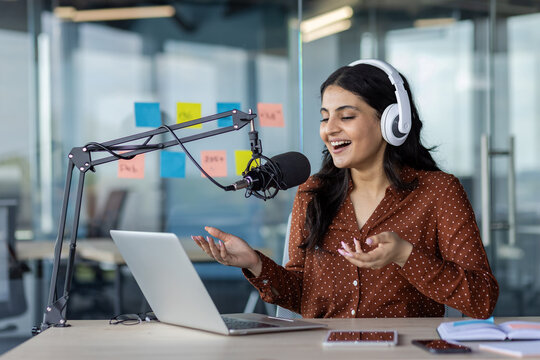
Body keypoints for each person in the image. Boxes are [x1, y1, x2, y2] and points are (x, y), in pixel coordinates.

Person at [192, 59, 499, 319]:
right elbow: (303, 293)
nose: (330, 129)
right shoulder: (313, 192)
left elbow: (482, 300)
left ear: (393, 122)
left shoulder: (438, 192)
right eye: (325, 118)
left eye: (346, 116)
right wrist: (255, 263)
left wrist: (406, 255)